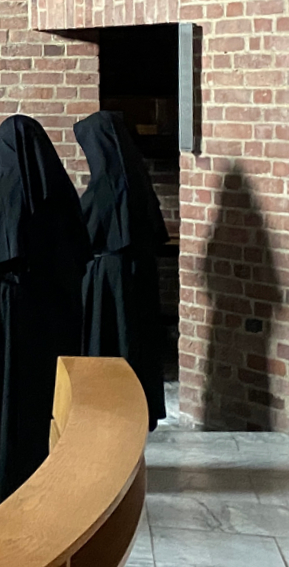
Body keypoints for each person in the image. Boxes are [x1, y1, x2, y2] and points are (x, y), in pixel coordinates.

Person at [0, 114, 91, 516]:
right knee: (36, 397)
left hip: (5, 308)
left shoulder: (1, 194)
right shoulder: (59, 194)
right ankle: (41, 479)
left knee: (0, 394)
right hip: (47, 310)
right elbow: (78, 253)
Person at [75, 110, 169, 429]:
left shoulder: (103, 188)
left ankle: (107, 410)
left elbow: (81, 234)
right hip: (138, 274)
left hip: (107, 281)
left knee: (109, 345)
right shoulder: (138, 183)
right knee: (135, 342)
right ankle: (137, 408)